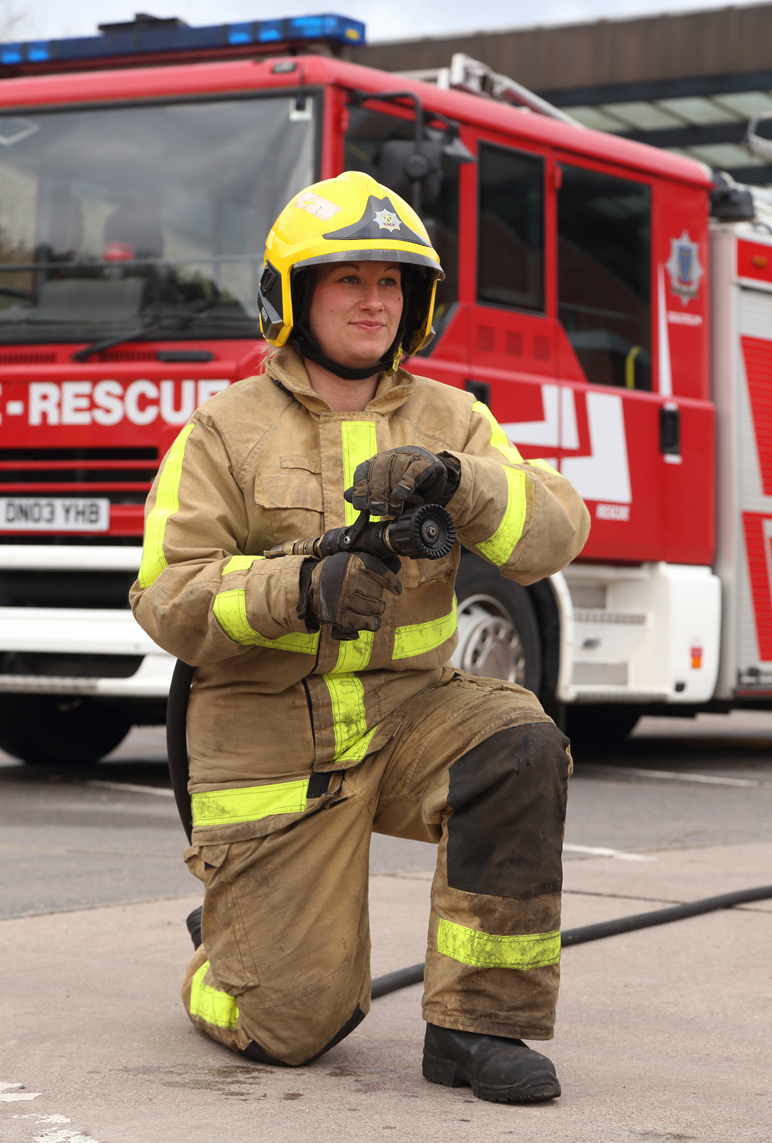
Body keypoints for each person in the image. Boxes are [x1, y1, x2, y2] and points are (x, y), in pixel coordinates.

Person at [130, 171, 591, 1103]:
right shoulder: (220, 431)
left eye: (392, 282)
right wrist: (301, 587)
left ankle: (475, 1024)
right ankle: (222, 961)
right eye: (348, 279)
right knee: (290, 1025)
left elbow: (555, 535)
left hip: (411, 714)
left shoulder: (454, 419)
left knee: (520, 741)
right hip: (266, 741)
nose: (374, 300)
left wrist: (461, 482)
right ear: (293, 295)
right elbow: (166, 597)